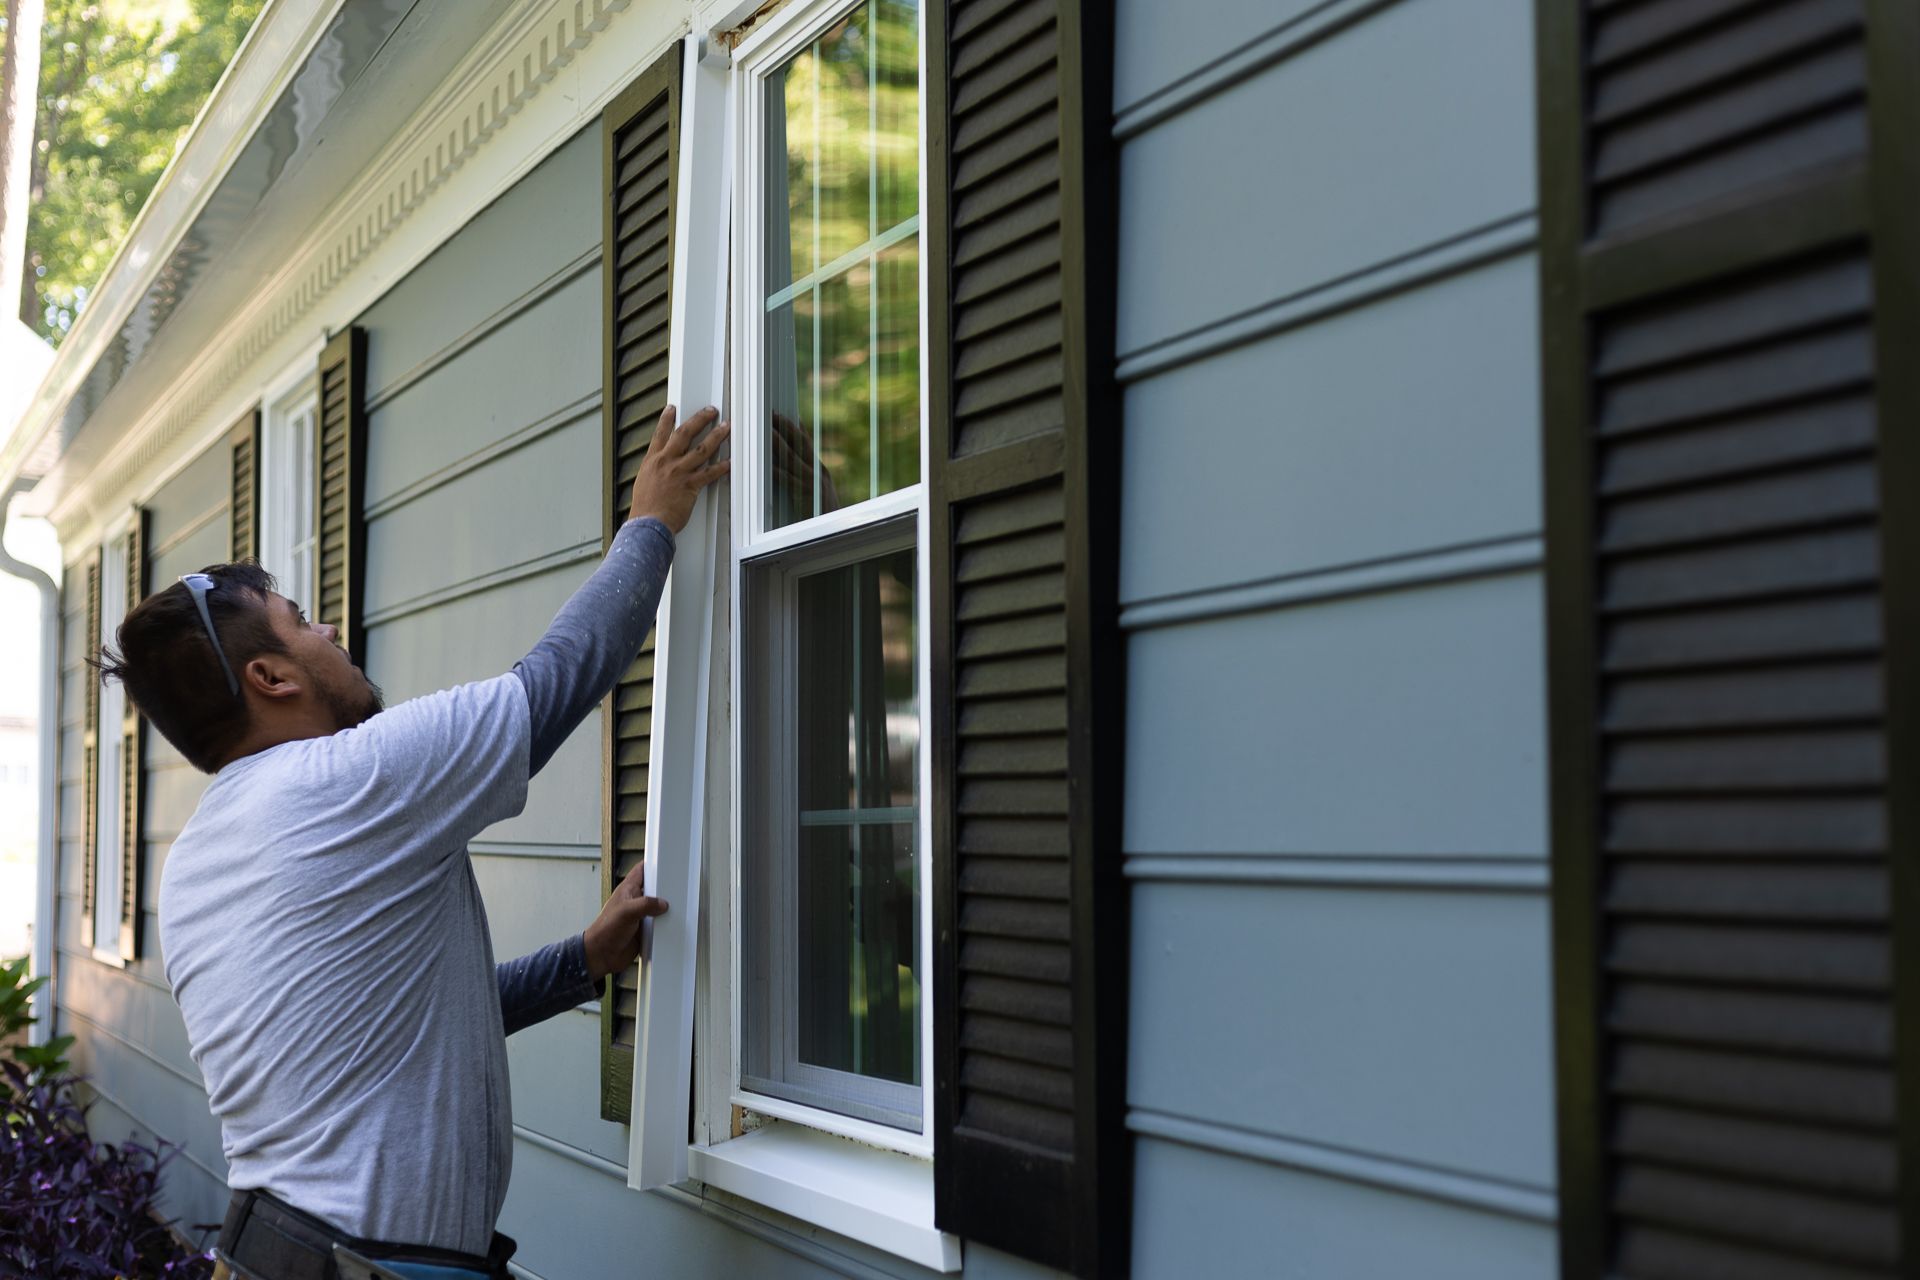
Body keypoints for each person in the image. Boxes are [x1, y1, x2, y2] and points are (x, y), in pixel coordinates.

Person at [99, 405, 730, 1280]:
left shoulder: (204, 855)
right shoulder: (336, 784)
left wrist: (580, 962)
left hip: (282, 1255)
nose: (330, 633)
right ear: (272, 676)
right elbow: (553, 685)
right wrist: (651, 523)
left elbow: (402, 1032)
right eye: (303, 622)